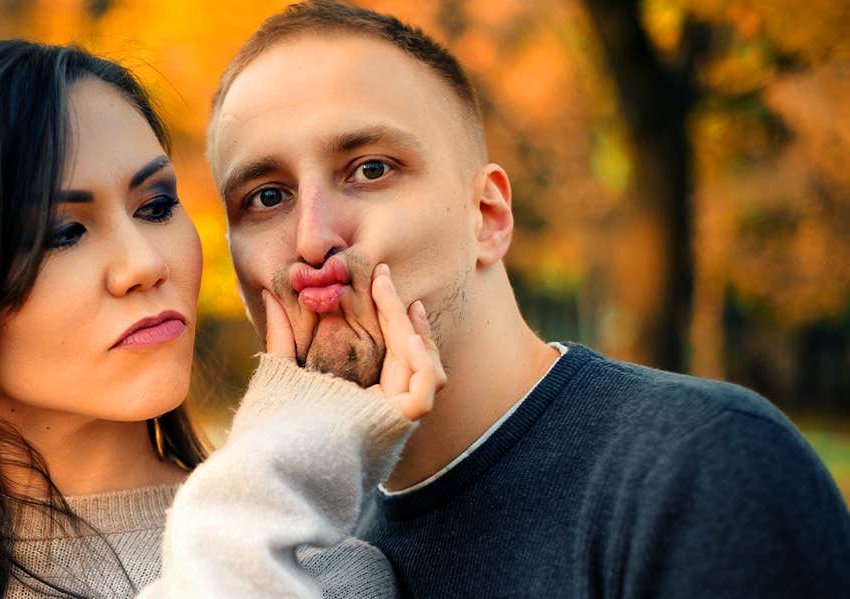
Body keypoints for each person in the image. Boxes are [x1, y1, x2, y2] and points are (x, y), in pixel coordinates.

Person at [0, 40, 442, 599]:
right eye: (63, 233)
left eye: (156, 206)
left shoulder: (319, 569)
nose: (142, 264)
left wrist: (268, 477)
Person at [204, 1, 850, 597]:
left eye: (370, 169)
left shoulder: (701, 470)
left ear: (487, 216)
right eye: (267, 197)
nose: (313, 238)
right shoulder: (297, 553)